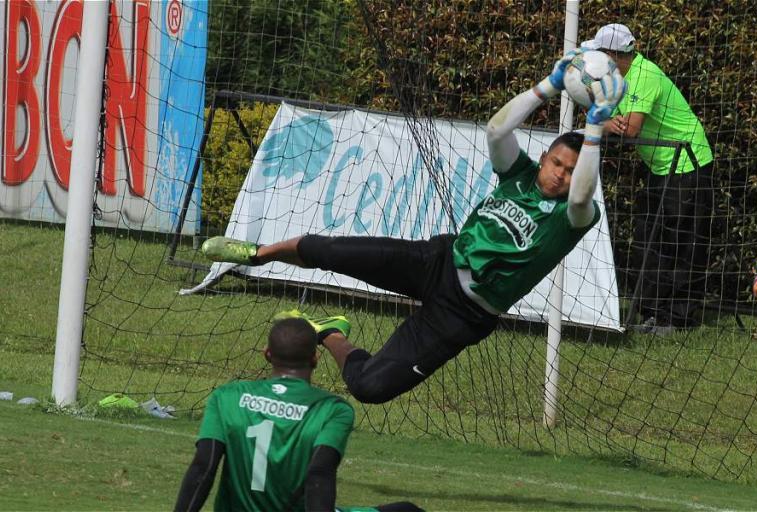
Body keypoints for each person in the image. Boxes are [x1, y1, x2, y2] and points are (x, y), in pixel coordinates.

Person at [200, 53, 625, 405]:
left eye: (570, 171)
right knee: (329, 251)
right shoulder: (519, 173)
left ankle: (328, 331)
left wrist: (595, 126)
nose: (560, 175)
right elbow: (497, 129)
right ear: (544, 157)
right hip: (437, 261)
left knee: (369, 388)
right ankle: (256, 254)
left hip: (463, 315)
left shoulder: (573, 217)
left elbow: (581, 196)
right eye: (556, 163)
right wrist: (549, 85)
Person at [174, 316, 423, 512]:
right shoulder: (332, 409)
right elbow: (319, 475)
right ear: (315, 359)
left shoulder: (227, 397)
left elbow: (203, 467)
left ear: (267, 354)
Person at [583, 23, 714, 331]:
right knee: (649, 240)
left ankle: (679, 319)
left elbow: (630, 129)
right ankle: (652, 312)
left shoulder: (645, 75)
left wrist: (606, 122)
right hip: (661, 166)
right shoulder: (614, 78)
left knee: (682, 242)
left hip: (689, 161)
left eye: (599, 54)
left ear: (613, 55)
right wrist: (605, 120)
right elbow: (603, 118)